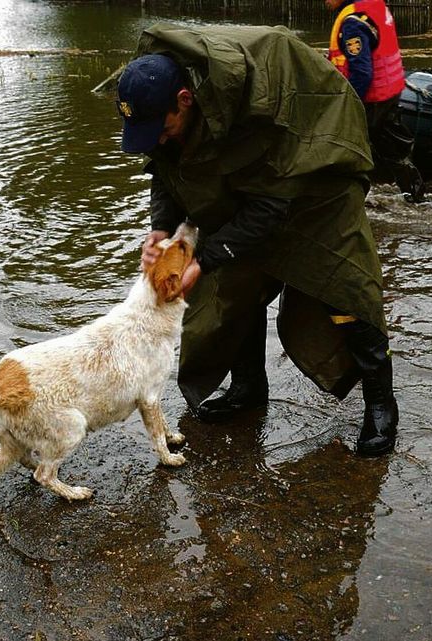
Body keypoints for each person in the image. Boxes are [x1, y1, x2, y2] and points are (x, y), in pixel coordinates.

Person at [115, 24, 399, 456]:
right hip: (252, 185)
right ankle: (248, 387)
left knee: (344, 287)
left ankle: (381, 404)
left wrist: (202, 259)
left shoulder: (260, 103)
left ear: (184, 100)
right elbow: (166, 168)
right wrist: (161, 227)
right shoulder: (161, 104)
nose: (156, 136)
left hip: (318, 181)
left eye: (162, 125)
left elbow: (269, 209)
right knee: (233, 289)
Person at [325, 0, 425, 202]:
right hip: (389, 92)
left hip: (372, 98)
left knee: (349, 148)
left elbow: (362, 73)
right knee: (393, 150)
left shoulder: (353, 23)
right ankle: (416, 197)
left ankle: (349, 200)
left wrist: (348, 105)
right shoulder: (374, 7)